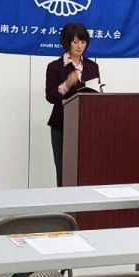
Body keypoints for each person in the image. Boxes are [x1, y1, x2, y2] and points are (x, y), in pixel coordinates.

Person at [44, 22, 100, 185]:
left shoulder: (92, 66)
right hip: (61, 124)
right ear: (67, 42)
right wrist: (67, 84)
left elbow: (94, 93)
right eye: (76, 42)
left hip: (87, 125)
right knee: (63, 169)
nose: (80, 46)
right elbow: (50, 97)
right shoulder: (54, 67)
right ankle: (64, 205)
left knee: (86, 168)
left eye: (83, 42)